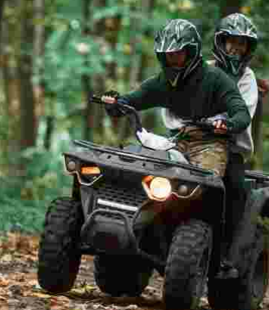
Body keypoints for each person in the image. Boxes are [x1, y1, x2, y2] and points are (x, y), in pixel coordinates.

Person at [103, 19, 250, 274]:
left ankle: (219, 249)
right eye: (168, 55)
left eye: (178, 54)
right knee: (149, 172)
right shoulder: (163, 82)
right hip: (178, 142)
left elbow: (242, 113)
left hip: (211, 144)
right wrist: (116, 103)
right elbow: (134, 99)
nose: (174, 60)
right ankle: (147, 228)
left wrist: (227, 123)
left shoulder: (216, 79)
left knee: (208, 186)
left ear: (191, 52)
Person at [160, 13, 263, 277]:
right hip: (187, 139)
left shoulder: (247, 78)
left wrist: (219, 121)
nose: (236, 48)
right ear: (221, 41)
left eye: (243, 44)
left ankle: (227, 255)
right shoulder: (201, 68)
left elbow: (244, 112)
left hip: (230, 147)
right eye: (232, 42)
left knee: (237, 190)